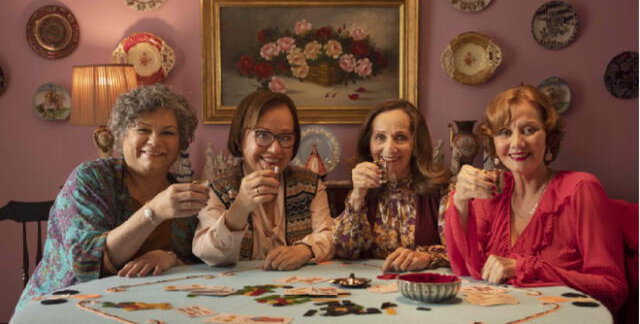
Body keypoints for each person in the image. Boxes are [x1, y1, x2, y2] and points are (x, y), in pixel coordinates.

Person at [16, 84, 209, 310]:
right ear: (121, 135)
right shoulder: (92, 179)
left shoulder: (183, 195)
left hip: (142, 310)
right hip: (62, 308)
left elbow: (198, 266)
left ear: (181, 143)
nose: (155, 141)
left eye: (168, 132)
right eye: (143, 130)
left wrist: (170, 258)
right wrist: (153, 212)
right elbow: (85, 262)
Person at [445, 85, 627, 313]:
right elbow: (465, 270)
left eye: (529, 130)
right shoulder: (494, 193)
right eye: (504, 132)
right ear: (493, 144)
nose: (516, 143)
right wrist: (461, 199)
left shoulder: (580, 189)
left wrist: (525, 268)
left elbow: (613, 288)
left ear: (548, 138)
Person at [193, 90, 333, 270]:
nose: (275, 149)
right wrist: (241, 206)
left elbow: (330, 235)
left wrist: (304, 250)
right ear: (241, 138)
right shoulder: (218, 189)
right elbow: (208, 253)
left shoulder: (310, 185)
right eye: (262, 135)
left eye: (285, 137)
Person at [332, 99, 450, 272]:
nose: (389, 148)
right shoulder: (362, 190)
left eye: (400, 137)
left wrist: (427, 257)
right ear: (369, 144)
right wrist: (358, 195)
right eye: (380, 137)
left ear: (415, 145)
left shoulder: (442, 191)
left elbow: (462, 252)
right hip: (372, 288)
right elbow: (345, 251)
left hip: (424, 288)